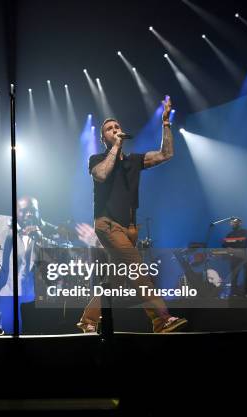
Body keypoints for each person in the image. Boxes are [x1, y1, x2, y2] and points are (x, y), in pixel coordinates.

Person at [77, 96, 187, 334]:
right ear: (103, 137)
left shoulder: (135, 161)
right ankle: (161, 318)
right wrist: (115, 147)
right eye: (109, 129)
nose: (115, 130)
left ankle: (88, 320)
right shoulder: (97, 159)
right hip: (107, 224)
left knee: (115, 282)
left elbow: (166, 154)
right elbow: (102, 176)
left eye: (117, 127)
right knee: (138, 270)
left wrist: (166, 123)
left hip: (129, 228)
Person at [222, 217, 247, 297]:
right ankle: (234, 292)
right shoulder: (229, 234)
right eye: (232, 222)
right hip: (235, 257)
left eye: (235, 222)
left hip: (246, 256)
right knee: (234, 275)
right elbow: (225, 245)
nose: (233, 223)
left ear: (240, 223)